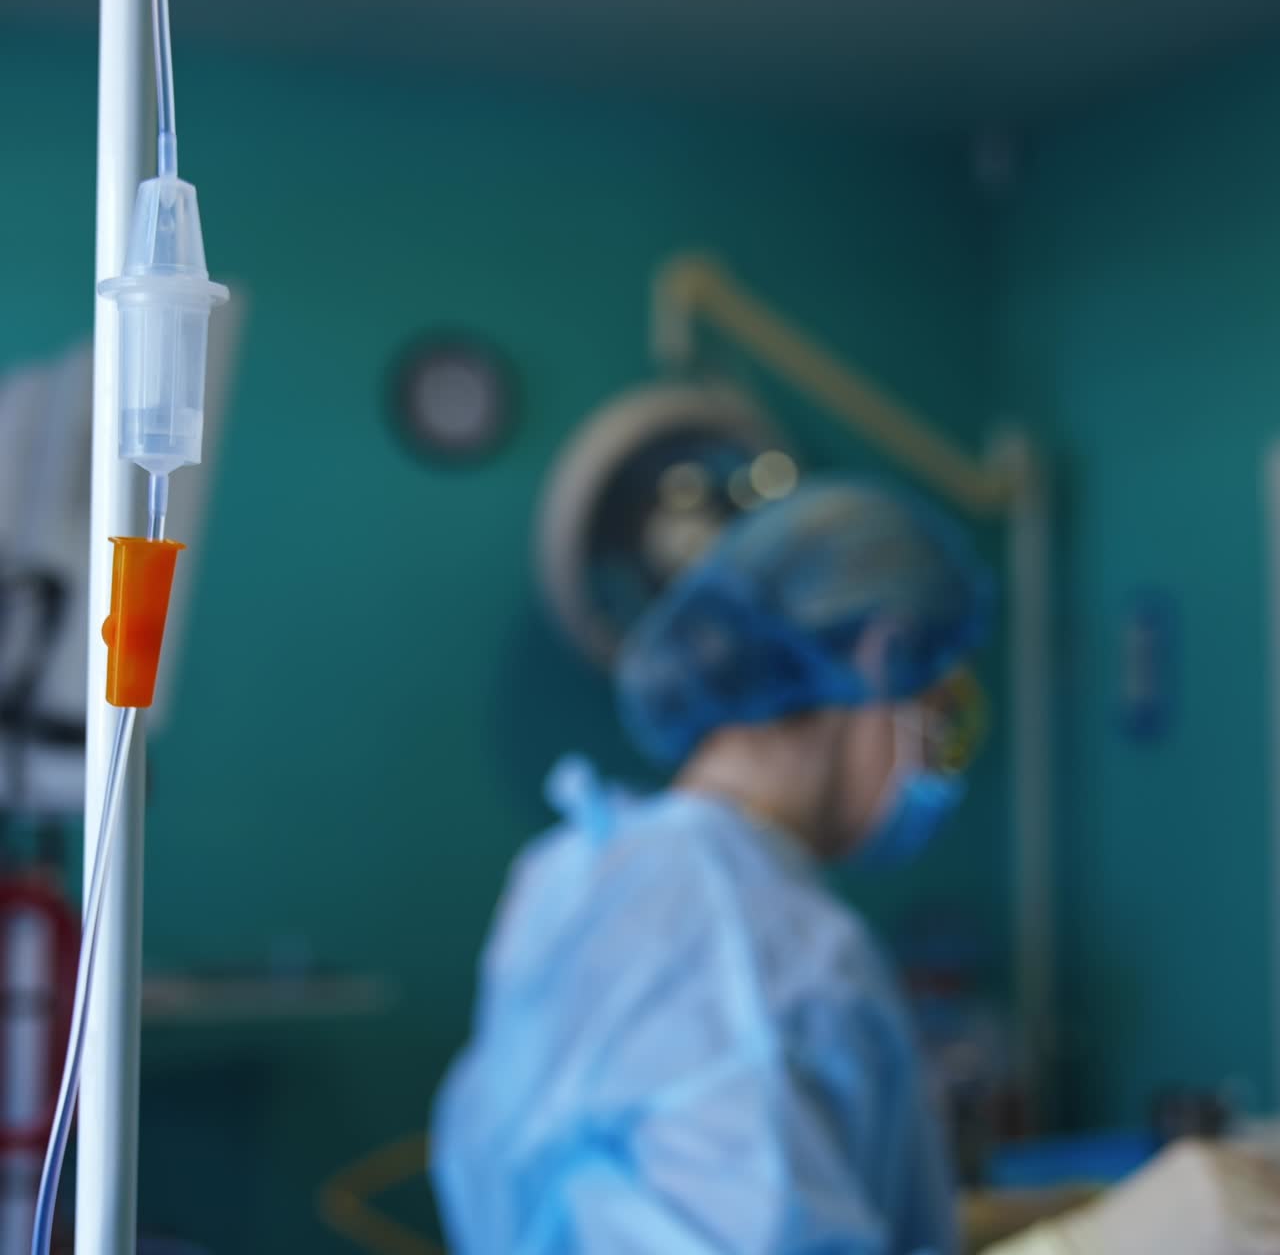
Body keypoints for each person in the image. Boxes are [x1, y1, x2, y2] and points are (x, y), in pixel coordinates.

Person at [431, 477, 1280, 1255]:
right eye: (945, 714)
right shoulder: (757, 950)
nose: (941, 761)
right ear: (880, 656)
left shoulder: (582, 865)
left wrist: (1062, 1214)